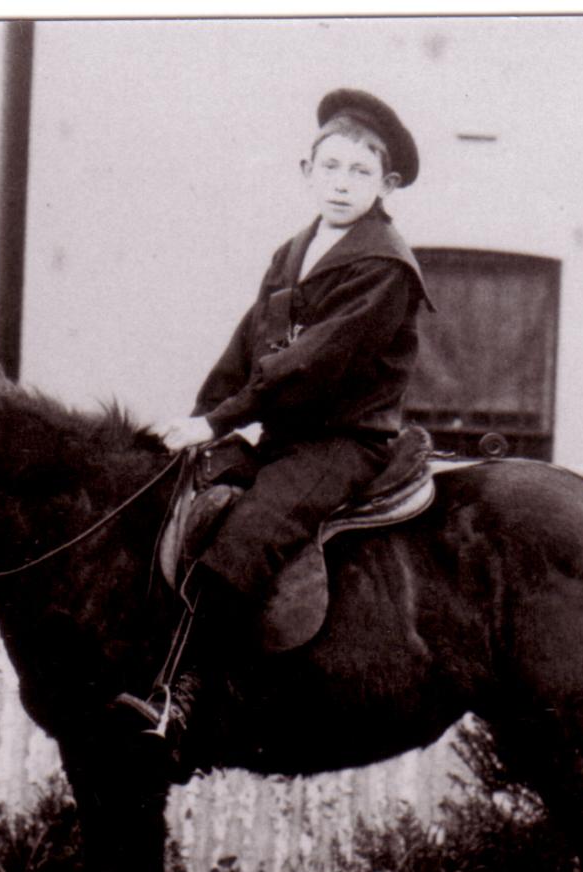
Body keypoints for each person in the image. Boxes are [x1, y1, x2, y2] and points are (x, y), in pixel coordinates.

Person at [115, 88, 433, 739]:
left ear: (387, 184)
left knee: (246, 539)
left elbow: (310, 365)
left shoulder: (385, 266)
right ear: (306, 172)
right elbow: (248, 345)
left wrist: (220, 421)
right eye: (331, 168)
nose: (342, 185)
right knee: (185, 494)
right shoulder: (294, 251)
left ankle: (186, 693)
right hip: (288, 434)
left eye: (361, 173)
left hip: (344, 441)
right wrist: (197, 420)